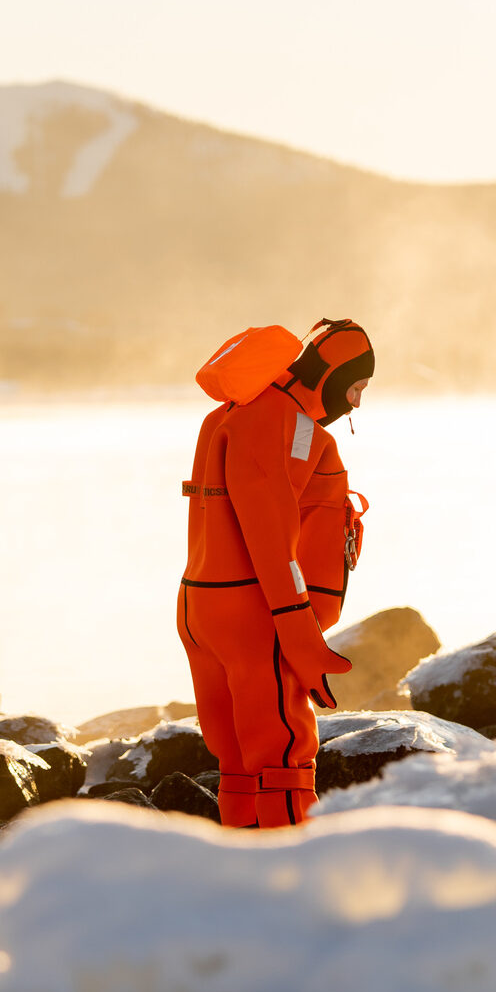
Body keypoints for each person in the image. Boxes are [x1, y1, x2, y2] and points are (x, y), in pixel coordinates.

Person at [178, 319, 373, 828]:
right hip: (254, 609)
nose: (355, 403)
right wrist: (296, 624)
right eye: (356, 387)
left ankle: (240, 866)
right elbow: (268, 529)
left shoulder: (228, 415)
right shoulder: (281, 421)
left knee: (240, 757)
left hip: (203, 603)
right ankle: (291, 880)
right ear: (331, 375)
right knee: (284, 751)